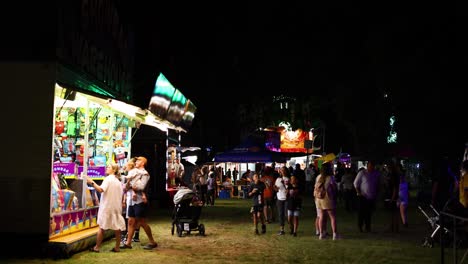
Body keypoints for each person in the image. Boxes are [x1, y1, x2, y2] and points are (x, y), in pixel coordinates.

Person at [120, 156, 158, 250]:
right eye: (136, 160)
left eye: (139, 160)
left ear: (143, 163)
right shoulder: (134, 172)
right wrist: (129, 182)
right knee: (130, 221)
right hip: (132, 201)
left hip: (140, 200)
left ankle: (152, 242)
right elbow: (125, 186)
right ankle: (128, 243)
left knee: (142, 222)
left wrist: (130, 184)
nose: (136, 161)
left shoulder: (145, 174)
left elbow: (141, 187)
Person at [87, 163, 126, 252]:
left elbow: (101, 189)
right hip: (116, 206)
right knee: (117, 227)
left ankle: (97, 247)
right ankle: (117, 247)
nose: (107, 168)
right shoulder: (117, 181)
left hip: (107, 206)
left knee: (102, 227)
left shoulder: (108, 179)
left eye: (109, 167)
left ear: (114, 170)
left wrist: (91, 182)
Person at [354, 160, 381, 233]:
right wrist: (359, 193)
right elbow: (356, 183)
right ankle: (360, 226)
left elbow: (378, 183)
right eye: (369, 166)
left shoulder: (376, 174)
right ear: (367, 166)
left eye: (372, 166)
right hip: (363, 196)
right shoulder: (362, 173)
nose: (371, 168)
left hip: (371, 197)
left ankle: (367, 227)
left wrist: (377, 192)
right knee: (361, 213)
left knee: (369, 213)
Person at [315, 162, 339, 240]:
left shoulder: (318, 177)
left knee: (321, 216)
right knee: (332, 217)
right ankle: (334, 235)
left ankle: (321, 234)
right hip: (327, 198)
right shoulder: (330, 178)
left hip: (319, 199)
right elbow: (335, 188)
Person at [274, 166, 290, 235]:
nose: (282, 171)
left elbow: (289, 189)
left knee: (287, 215)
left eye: (284, 170)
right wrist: (275, 188)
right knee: (280, 214)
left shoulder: (289, 179)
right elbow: (276, 188)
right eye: (281, 170)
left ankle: (291, 227)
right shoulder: (278, 179)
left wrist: (285, 185)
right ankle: (282, 230)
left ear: (286, 171)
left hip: (287, 199)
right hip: (279, 198)